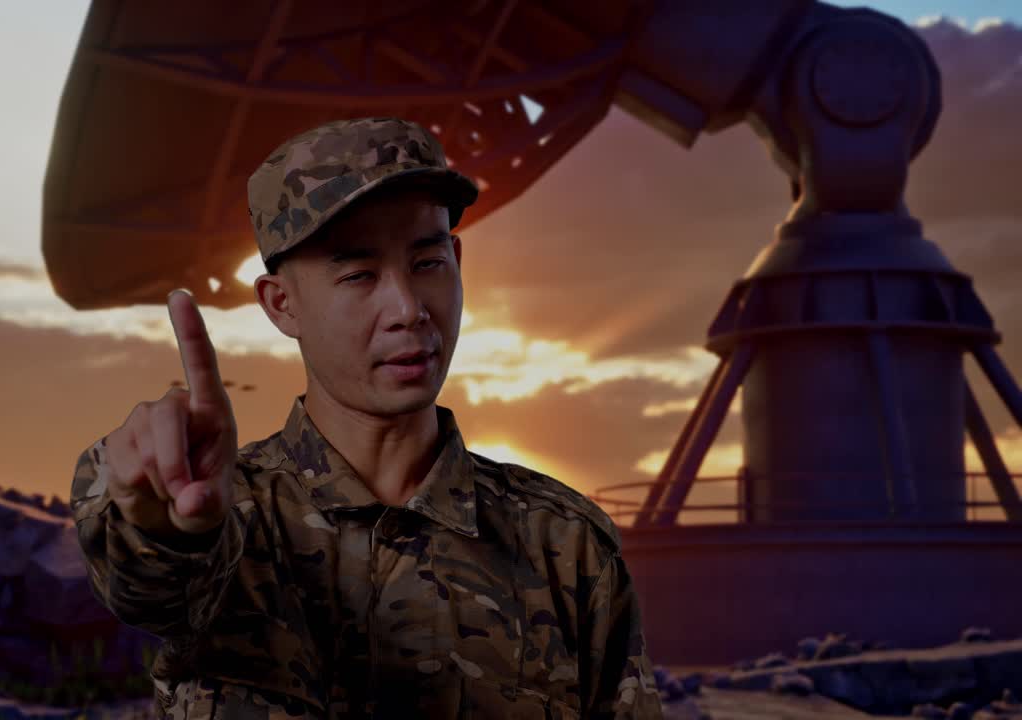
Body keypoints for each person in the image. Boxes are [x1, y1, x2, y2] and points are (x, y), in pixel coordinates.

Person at [70, 116, 664, 719]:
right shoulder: (235, 522)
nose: (408, 309)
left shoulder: (565, 544)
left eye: (428, 263)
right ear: (282, 304)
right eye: (358, 275)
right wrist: (163, 530)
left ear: (457, 259)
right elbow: (147, 581)